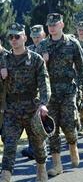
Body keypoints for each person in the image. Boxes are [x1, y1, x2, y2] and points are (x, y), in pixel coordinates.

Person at [37, 13, 83, 176]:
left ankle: (73, 146)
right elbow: (37, 71)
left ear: (61, 25)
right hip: (50, 92)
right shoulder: (43, 46)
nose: (52, 28)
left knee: (69, 124)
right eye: (49, 25)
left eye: (55, 25)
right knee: (51, 128)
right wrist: (43, 61)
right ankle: (57, 164)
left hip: (68, 90)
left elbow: (82, 68)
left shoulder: (72, 43)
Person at [0, 23, 51, 182]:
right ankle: (5, 176)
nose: (14, 40)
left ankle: (41, 170)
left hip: (31, 109)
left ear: (24, 38)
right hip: (12, 110)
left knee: (37, 144)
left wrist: (43, 103)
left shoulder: (35, 59)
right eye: (11, 37)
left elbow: (44, 83)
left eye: (17, 36)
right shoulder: (4, 60)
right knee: (9, 145)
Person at [21, 24, 46, 160]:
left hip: (47, 89)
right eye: (34, 36)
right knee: (32, 121)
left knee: (43, 120)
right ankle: (32, 148)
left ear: (43, 35)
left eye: (39, 36)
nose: (36, 39)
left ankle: (43, 148)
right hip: (31, 92)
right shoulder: (28, 50)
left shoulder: (49, 48)